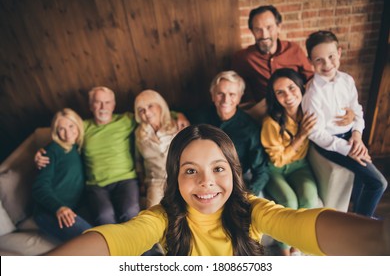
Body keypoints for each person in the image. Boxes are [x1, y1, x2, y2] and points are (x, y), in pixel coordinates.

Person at [45, 124, 390, 256]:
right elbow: (116, 239)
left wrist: (378, 240)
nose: (206, 182)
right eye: (190, 170)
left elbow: (303, 223)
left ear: (233, 173)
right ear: (175, 179)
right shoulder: (161, 217)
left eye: (218, 169)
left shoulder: (252, 208)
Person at [35, 86, 189, 226]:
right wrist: (44, 151)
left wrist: (179, 115)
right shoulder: (83, 126)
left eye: (107, 102)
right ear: (90, 106)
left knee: (130, 212)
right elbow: (64, 134)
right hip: (96, 185)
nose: (103, 107)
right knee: (104, 217)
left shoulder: (126, 120)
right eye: (98, 103)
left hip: (126, 180)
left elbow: (153, 114)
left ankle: (143, 253)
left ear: (113, 105)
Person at [301, 30, 388, 217]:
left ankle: (359, 212)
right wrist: (348, 148)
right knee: (379, 183)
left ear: (339, 53)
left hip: (351, 136)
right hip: (330, 143)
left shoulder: (347, 80)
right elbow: (316, 133)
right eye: (319, 60)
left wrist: (357, 136)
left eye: (331, 56)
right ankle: (361, 224)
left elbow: (357, 111)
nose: (327, 64)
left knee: (361, 178)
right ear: (310, 61)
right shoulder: (313, 94)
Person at [261, 68, 318, 255]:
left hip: (300, 166)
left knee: (309, 198)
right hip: (275, 169)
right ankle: (285, 252)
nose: (288, 96)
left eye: (291, 88)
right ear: (275, 97)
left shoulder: (310, 111)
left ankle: (297, 247)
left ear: (301, 87)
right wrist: (300, 136)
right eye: (280, 92)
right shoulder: (271, 122)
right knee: (289, 201)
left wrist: (351, 116)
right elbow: (276, 160)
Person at [185, 71, 269, 196]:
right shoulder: (199, 116)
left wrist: (249, 194)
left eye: (232, 94)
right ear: (212, 95)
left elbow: (261, 170)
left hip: (237, 178)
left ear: (240, 97)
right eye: (220, 94)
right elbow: (171, 113)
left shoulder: (250, 129)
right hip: (203, 177)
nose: (226, 100)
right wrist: (178, 115)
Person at [231, 5, 313, 120]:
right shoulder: (242, 58)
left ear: (278, 27)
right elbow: (237, 92)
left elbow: (311, 80)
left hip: (297, 109)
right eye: (258, 29)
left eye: (269, 27)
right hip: (265, 114)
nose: (264, 35)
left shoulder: (294, 50)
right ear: (252, 31)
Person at [32, 108, 92, 242]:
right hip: (49, 211)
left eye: (71, 126)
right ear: (56, 132)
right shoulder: (51, 151)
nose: (68, 133)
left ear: (78, 125)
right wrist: (59, 207)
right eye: (61, 129)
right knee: (92, 239)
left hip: (74, 207)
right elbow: (39, 188)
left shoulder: (79, 148)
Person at [134, 89, 178, 208]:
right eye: (141, 110)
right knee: (152, 213)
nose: (146, 113)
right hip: (155, 181)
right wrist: (141, 182)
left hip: (178, 177)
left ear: (160, 106)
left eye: (150, 106)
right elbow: (138, 160)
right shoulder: (139, 134)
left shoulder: (177, 125)